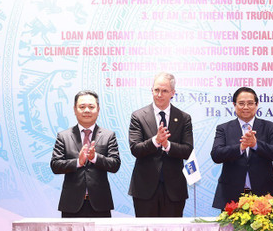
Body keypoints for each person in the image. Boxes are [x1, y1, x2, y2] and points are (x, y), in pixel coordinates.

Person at [128, 72, 194, 217]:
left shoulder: (183, 118)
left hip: (174, 189)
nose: (159, 94)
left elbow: (187, 150)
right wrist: (156, 141)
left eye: (164, 91)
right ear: (151, 90)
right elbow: (135, 149)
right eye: (156, 90)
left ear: (172, 93)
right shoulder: (138, 116)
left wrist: (167, 144)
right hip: (144, 189)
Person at [211, 87, 273, 209]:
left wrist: (256, 145)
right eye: (241, 103)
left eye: (250, 103)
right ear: (234, 105)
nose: (246, 107)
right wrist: (241, 147)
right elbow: (216, 155)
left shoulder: (270, 127)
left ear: (256, 105)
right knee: (231, 229)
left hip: (264, 195)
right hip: (231, 196)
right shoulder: (223, 128)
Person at [50, 90, 120, 217]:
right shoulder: (64, 136)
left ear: (98, 109)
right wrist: (78, 162)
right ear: (75, 110)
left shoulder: (108, 136)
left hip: (100, 204)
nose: (86, 110)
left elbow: (115, 165)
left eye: (91, 107)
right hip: (71, 204)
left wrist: (95, 158)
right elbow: (55, 165)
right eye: (82, 107)